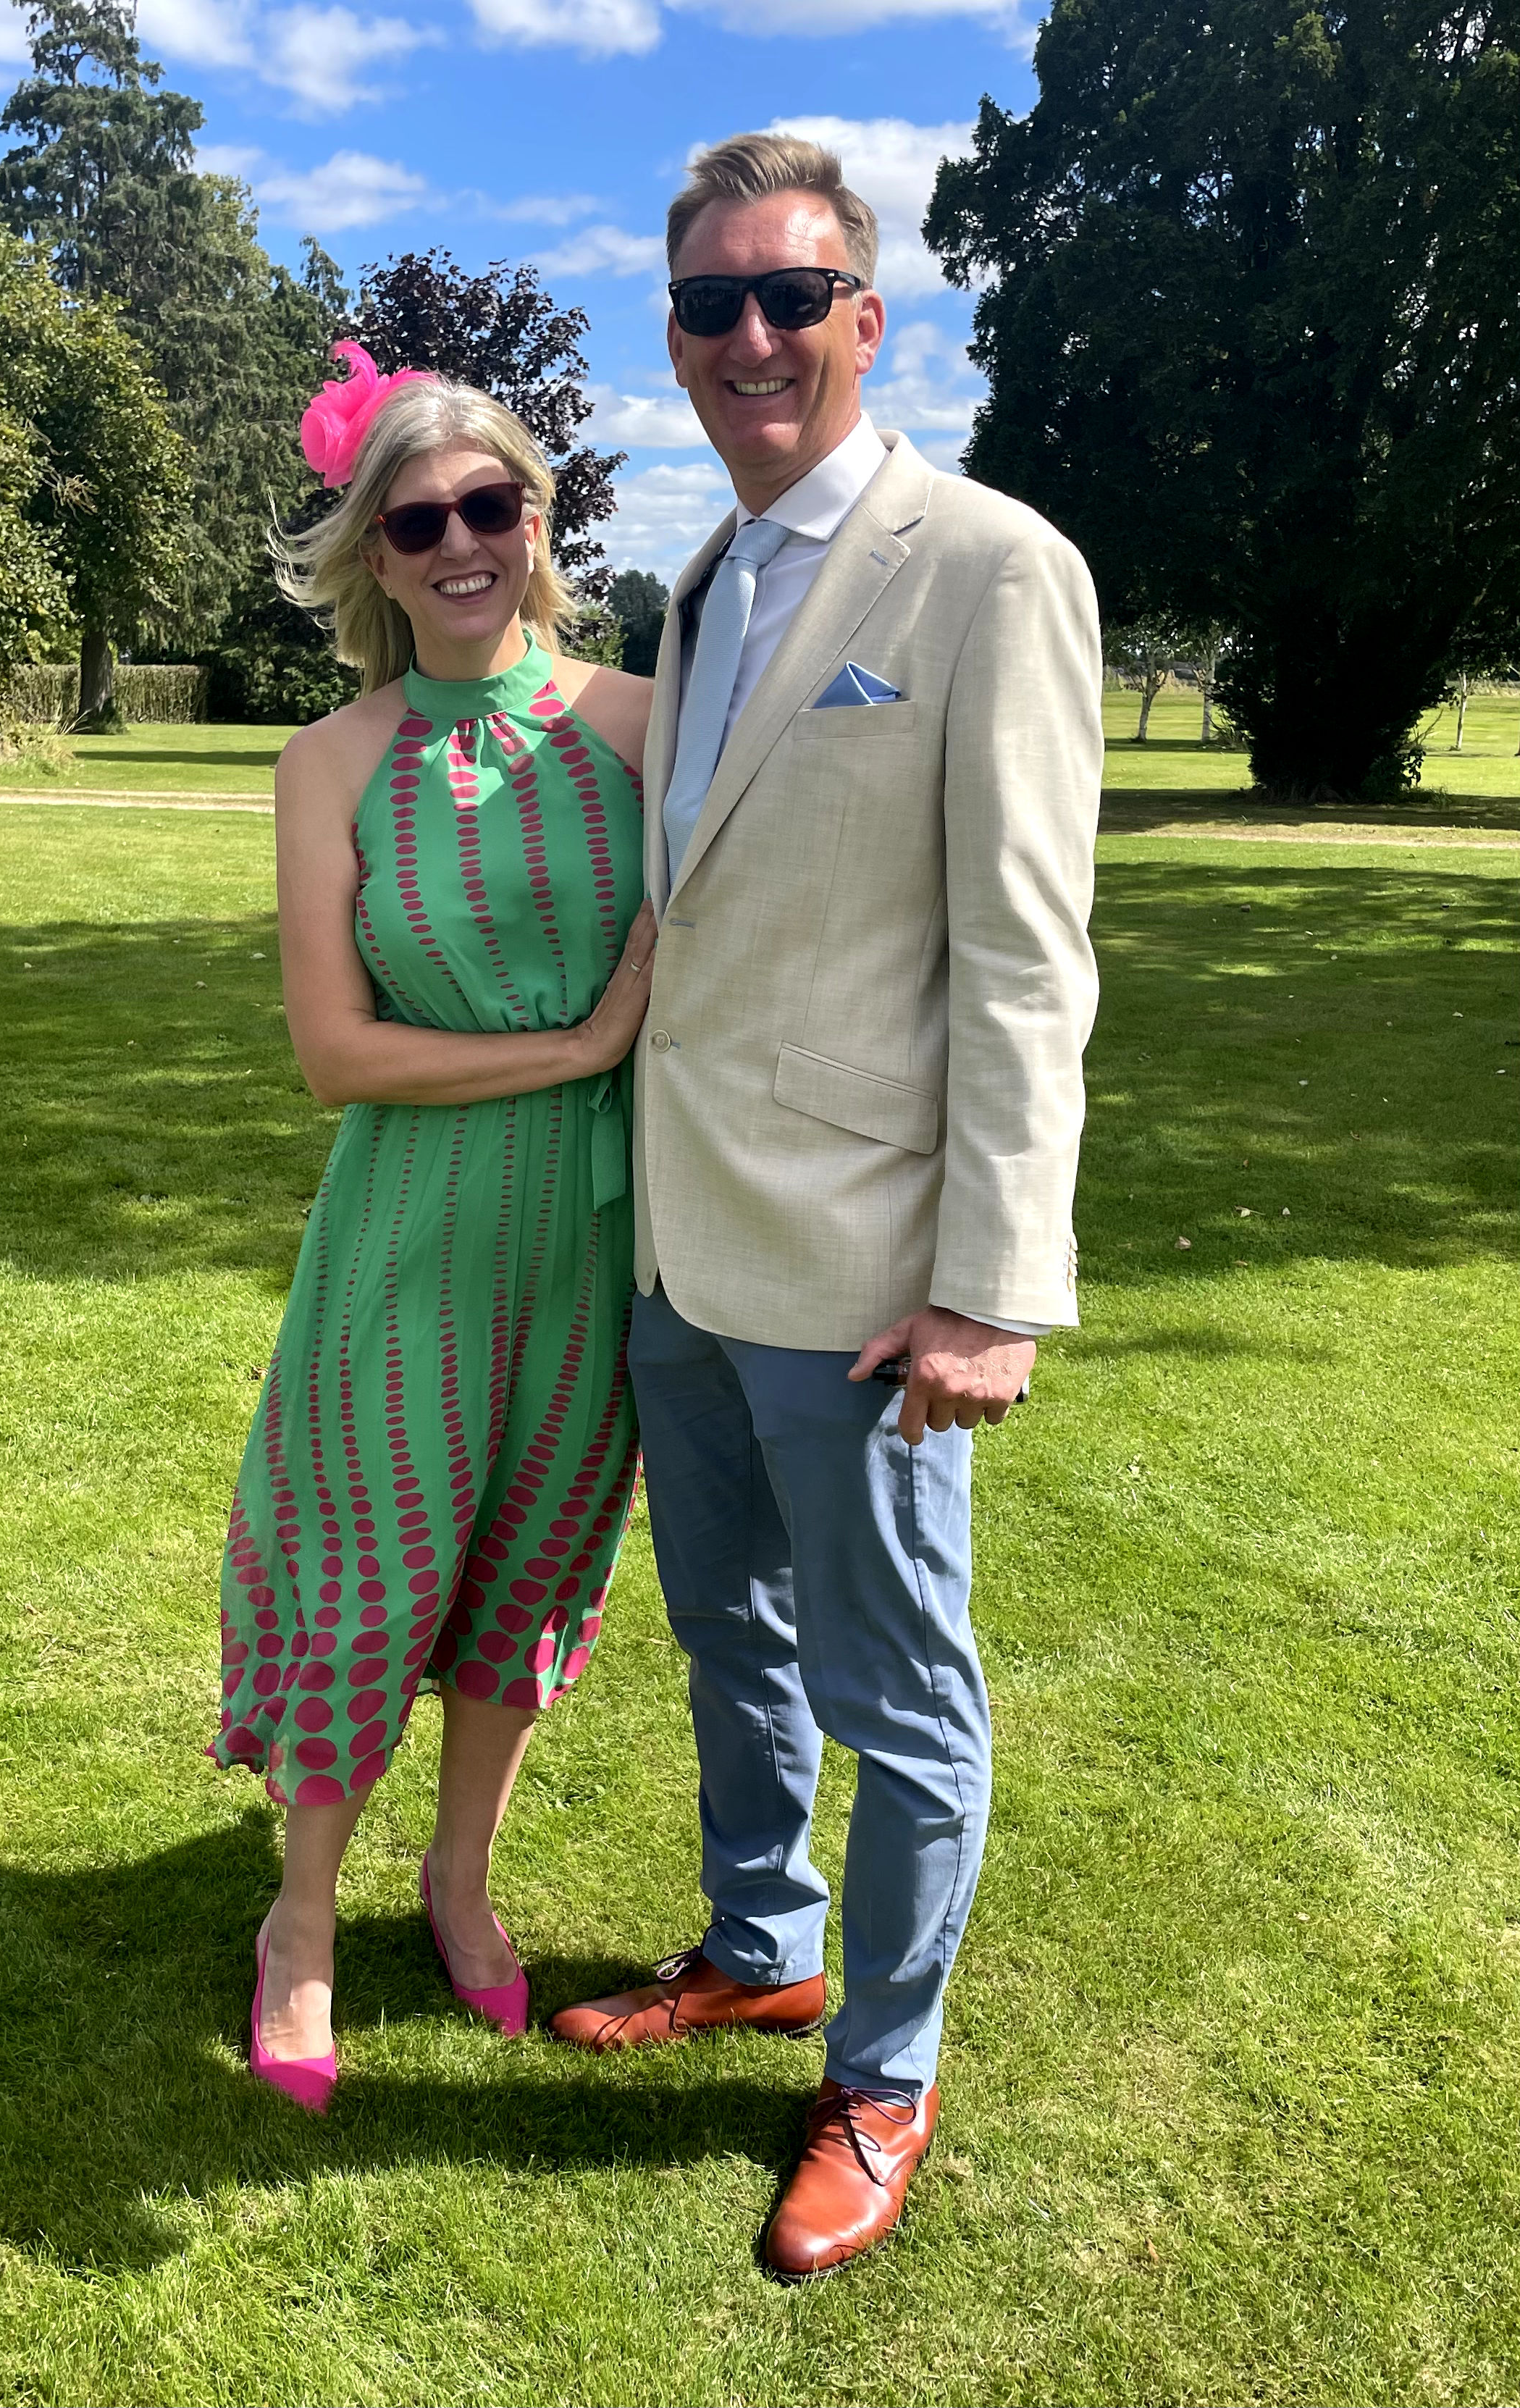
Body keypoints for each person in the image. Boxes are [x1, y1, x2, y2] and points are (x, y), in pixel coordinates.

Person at [547, 135, 1102, 2280]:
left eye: (791, 296)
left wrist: (990, 1286)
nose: (750, 337)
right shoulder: (700, 580)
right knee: (729, 1633)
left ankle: (881, 2072)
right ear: (676, 337)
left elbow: (1024, 957)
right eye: (710, 304)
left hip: (870, 1269)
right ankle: (761, 1944)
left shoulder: (986, 568)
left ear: (868, 320)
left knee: (900, 1691)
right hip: (682, 1247)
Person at [211, 346, 656, 2113]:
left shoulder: (641, 724)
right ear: (373, 559)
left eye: (488, 503)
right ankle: (300, 1919)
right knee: (373, 1565)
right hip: (409, 1227)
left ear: (536, 521)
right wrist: (576, 1045)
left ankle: (458, 1877)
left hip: (594, 1238)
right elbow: (335, 1054)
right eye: (417, 522)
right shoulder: (328, 761)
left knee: (531, 1564)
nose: (460, 541)